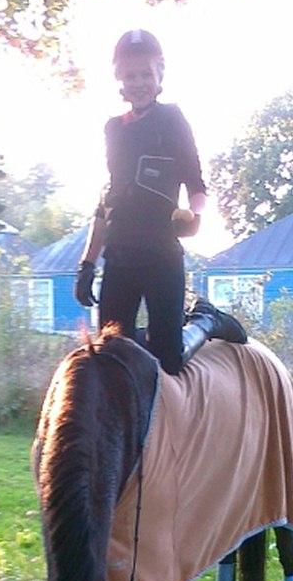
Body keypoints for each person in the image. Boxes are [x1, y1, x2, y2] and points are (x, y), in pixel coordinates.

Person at [75, 29, 246, 376]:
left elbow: (196, 184)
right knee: (110, 355)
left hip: (161, 255)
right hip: (120, 255)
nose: (138, 82)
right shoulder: (114, 129)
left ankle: (205, 319)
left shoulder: (172, 119)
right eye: (130, 75)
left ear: (160, 73)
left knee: (168, 357)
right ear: (119, 78)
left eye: (146, 74)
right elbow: (108, 200)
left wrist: (194, 216)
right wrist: (87, 265)